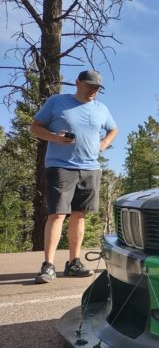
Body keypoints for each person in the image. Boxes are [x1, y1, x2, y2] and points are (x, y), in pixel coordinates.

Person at [29, 69, 118, 284]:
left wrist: (104, 144)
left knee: (80, 215)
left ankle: (73, 262)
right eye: (89, 86)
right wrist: (54, 137)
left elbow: (113, 129)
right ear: (77, 83)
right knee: (57, 214)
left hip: (90, 168)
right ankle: (48, 266)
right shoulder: (57, 102)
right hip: (61, 167)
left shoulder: (101, 109)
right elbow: (34, 127)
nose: (93, 91)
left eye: (97, 88)